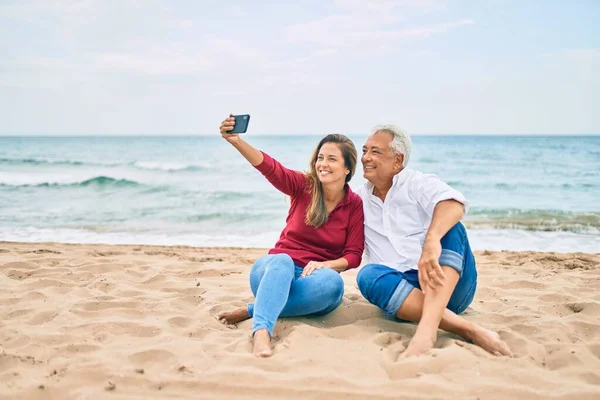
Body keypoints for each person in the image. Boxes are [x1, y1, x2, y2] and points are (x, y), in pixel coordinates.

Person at [356, 125, 512, 357]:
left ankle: (426, 331)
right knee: (367, 275)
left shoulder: (417, 183)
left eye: (375, 152)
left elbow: (453, 204)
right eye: (365, 150)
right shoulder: (358, 199)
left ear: (397, 160)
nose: (366, 158)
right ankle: (467, 329)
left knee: (453, 227)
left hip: (447, 287)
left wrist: (431, 242)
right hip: (402, 296)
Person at [216, 115, 364, 357]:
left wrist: (325, 265)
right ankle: (262, 332)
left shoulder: (354, 204)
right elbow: (270, 167)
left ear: (348, 168)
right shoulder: (303, 185)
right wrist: (236, 141)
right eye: (320, 157)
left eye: (331, 159)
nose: (322, 164)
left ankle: (255, 309)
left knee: (334, 284)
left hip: (311, 281)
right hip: (272, 271)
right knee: (283, 260)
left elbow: (354, 255)